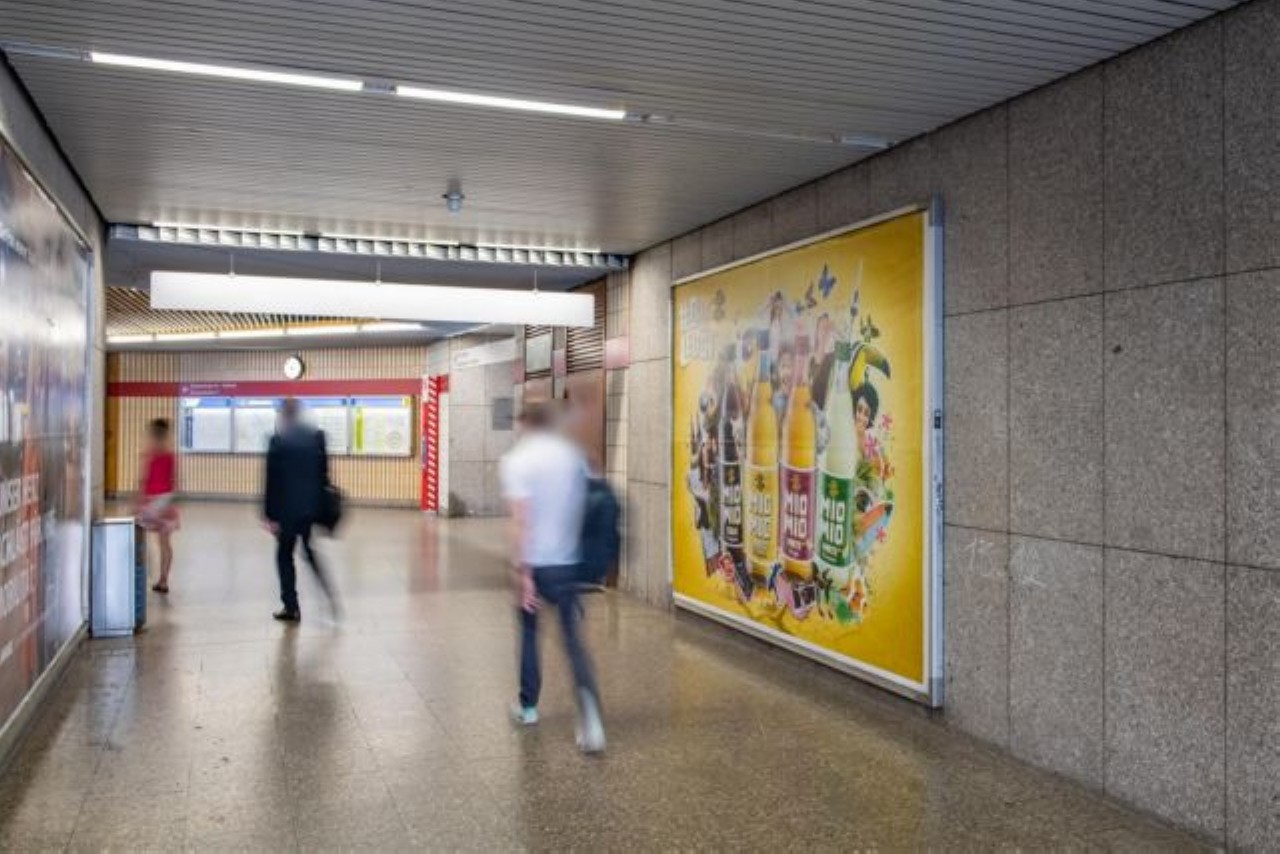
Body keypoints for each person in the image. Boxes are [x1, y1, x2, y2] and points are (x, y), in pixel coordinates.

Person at [500, 402, 604, 754]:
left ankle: (528, 708)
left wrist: (523, 572)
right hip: (568, 563)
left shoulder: (517, 460)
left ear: (525, 424)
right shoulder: (571, 455)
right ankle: (590, 718)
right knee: (573, 641)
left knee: (530, 633)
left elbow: (521, 520)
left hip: (537, 564)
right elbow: (594, 487)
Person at [263, 398, 337, 622]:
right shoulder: (316, 438)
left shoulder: (278, 442)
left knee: (284, 556)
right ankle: (329, 595)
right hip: (310, 509)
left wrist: (269, 515)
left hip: (287, 513)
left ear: (284, 416)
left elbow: (271, 483)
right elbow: (324, 475)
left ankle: (291, 606)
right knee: (309, 551)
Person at [137, 418, 179, 593]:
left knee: (139, 538)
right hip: (166, 501)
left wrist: (138, 502)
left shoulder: (151, 454)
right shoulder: (170, 455)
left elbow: (144, 480)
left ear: (154, 434)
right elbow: (174, 480)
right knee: (165, 543)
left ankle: (142, 573)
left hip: (151, 502)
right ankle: (163, 580)